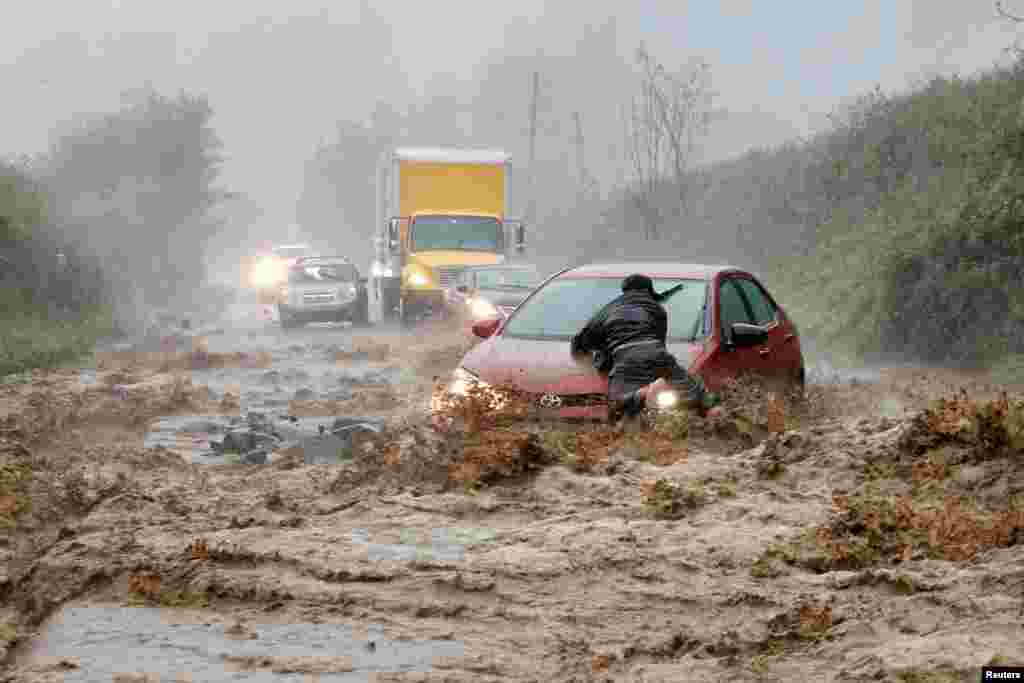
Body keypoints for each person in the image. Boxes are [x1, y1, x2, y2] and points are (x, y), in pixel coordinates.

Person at [571, 273, 721, 427]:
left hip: (626, 359)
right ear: (649, 290)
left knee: (617, 404)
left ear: (625, 291)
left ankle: (643, 394)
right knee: (696, 391)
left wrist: (588, 361)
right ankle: (715, 411)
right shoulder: (657, 309)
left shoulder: (608, 310)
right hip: (659, 356)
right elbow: (659, 342)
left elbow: (581, 343)